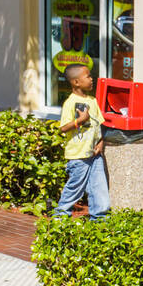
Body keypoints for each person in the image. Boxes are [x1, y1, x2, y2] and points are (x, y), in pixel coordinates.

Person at [54, 64, 110, 221]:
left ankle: (100, 220)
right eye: (88, 77)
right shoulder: (70, 103)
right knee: (75, 189)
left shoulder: (93, 101)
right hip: (78, 157)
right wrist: (80, 120)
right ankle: (60, 218)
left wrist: (101, 142)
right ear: (76, 82)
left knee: (99, 188)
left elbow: (99, 124)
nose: (92, 79)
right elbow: (63, 128)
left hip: (94, 154)